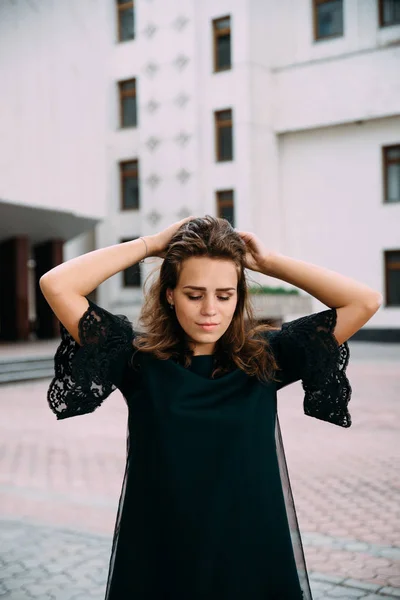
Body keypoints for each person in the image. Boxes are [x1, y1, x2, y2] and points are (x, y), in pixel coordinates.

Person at [40, 215, 382, 600]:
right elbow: (57, 284)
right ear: (169, 293)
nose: (210, 310)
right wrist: (151, 244)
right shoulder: (136, 360)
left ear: (238, 296)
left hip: (251, 549)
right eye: (194, 293)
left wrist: (268, 263)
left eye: (224, 294)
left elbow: (364, 301)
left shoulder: (268, 358)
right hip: (162, 551)